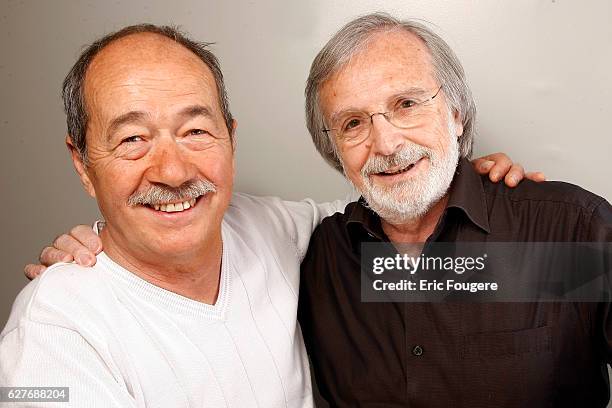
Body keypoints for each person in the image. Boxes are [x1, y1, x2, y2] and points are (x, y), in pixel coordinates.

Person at [10, 21, 537, 407]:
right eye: (131, 139)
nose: (171, 171)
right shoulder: (55, 336)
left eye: (195, 131)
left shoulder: (278, 232)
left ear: (231, 139)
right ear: (83, 165)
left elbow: (398, 210)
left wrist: (465, 179)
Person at [296, 13, 612, 407]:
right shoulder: (320, 258)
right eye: (353, 122)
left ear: (457, 113)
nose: (387, 144)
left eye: (407, 104)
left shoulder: (568, 229)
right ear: (335, 151)